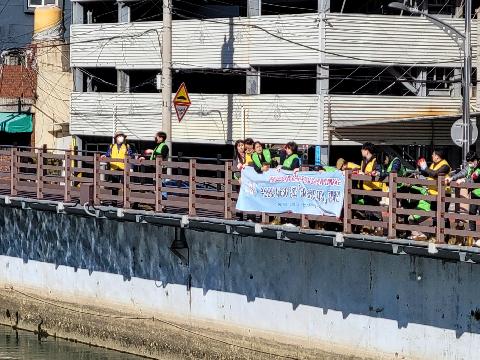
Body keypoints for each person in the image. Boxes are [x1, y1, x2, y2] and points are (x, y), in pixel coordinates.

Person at [445, 151, 480, 246]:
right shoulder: (470, 166)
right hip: (474, 193)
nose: (470, 164)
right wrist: (453, 178)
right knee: (472, 214)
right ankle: (473, 238)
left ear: (476, 160)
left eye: (471, 162)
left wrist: (464, 180)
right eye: (469, 162)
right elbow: (463, 172)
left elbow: (473, 178)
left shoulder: (479, 168)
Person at [100, 131, 133, 206]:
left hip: (123, 168)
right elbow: (108, 154)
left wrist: (131, 167)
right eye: (119, 136)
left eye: (122, 136)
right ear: (116, 138)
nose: (121, 138)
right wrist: (104, 156)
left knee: (126, 186)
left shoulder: (127, 146)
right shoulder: (112, 146)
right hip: (114, 168)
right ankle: (114, 202)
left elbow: (131, 156)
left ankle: (126, 203)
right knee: (114, 187)